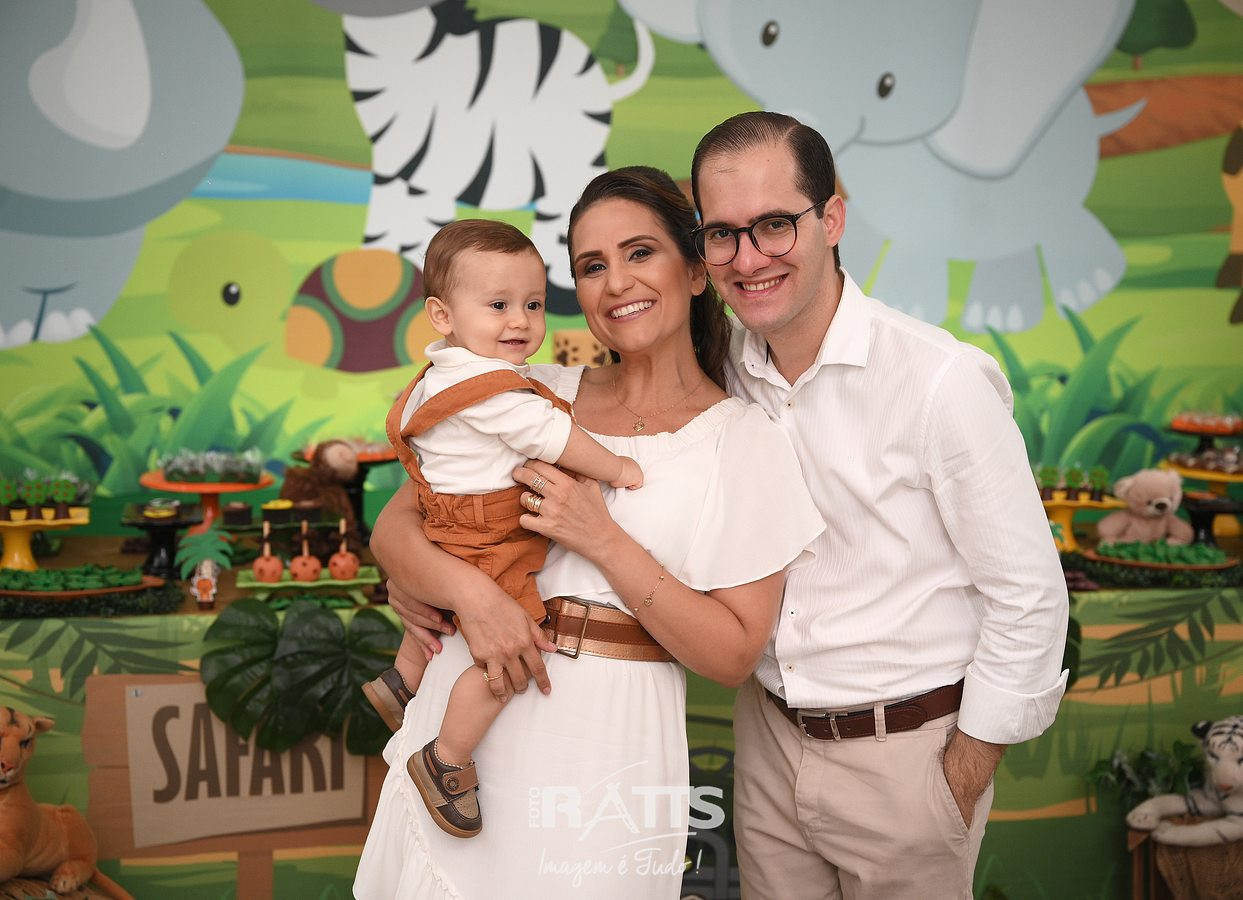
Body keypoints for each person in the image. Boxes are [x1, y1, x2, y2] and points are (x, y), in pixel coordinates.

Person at [353, 166, 825, 899]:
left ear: (695, 270)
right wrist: (469, 597)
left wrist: (602, 539)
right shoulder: (527, 389)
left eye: (640, 253)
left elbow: (732, 655)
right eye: (591, 266)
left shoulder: (745, 440)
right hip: (467, 718)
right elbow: (395, 527)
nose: (615, 283)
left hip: (611, 742)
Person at [687, 111, 1070, 898]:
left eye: (773, 225)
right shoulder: (719, 375)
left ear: (831, 218)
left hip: (908, 758)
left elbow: (1028, 594)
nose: (747, 258)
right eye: (721, 234)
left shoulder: (939, 381)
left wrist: (961, 772)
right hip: (767, 741)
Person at [361, 219, 644, 839]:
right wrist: (618, 467)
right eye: (498, 306)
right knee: (513, 652)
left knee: (440, 613)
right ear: (441, 314)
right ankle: (446, 758)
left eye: (533, 305)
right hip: (488, 532)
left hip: (444, 522)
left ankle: (402, 680)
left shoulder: (439, 376)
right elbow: (555, 437)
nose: (520, 321)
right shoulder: (493, 390)